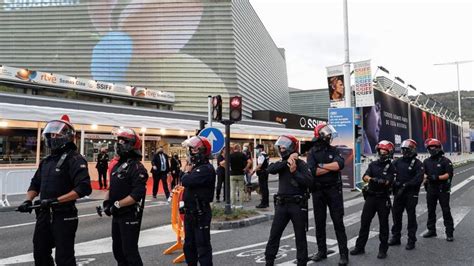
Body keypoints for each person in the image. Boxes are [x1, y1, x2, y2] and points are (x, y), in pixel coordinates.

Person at [17, 115, 92, 265]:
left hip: (64, 215)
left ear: (67, 136)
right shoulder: (47, 160)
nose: (53, 137)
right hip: (44, 214)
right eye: (51, 134)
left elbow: (84, 188)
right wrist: (28, 200)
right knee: (40, 253)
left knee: (64, 258)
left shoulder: (75, 159)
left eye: (57, 134)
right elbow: (35, 184)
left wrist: (56, 200)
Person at [264, 135, 313, 266]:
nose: (281, 148)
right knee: (274, 234)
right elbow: (270, 169)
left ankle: (302, 262)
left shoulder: (301, 164)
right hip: (282, 205)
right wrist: (287, 162)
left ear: (292, 147)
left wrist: (294, 171)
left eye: (284, 146)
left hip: (297, 205)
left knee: (300, 236)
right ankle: (269, 261)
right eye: (280, 146)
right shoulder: (282, 163)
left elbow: (309, 182)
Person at [102, 127, 148, 265]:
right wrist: (106, 203)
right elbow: (112, 188)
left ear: (131, 145)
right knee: (118, 251)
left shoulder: (137, 168)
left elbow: (136, 195)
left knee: (130, 252)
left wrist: (117, 205)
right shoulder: (118, 166)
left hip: (129, 215)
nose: (118, 143)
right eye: (118, 140)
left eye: (123, 141)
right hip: (117, 215)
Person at [307, 123, 348, 265]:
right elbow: (313, 171)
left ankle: (344, 254)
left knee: (338, 222)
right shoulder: (312, 152)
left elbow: (339, 165)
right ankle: (321, 251)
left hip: (333, 191)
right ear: (320, 135)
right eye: (327, 133)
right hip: (318, 191)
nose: (329, 136)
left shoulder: (334, 150)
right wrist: (331, 167)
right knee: (319, 223)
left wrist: (322, 166)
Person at [351, 140, 396, 259]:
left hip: (383, 198)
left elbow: (387, 182)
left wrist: (377, 180)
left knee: (383, 225)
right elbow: (365, 177)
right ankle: (360, 247)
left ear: (389, 153)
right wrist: (373, 180)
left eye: (385, 152)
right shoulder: (373, 164)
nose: (382, 154)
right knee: (364, 223)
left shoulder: (391, 167)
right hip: (371, 197)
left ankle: (383, 249)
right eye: (380, 151)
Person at [181, 136, 216, 265]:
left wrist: (186, 172)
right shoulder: (195, 169)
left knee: (203, 246)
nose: (190, 153)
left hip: (201, 213)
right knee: (189, 246)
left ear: (202, 151)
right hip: (191, 212)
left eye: (194, 150)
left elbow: (185, 180)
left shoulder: (205, 169)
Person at [389, 139, 424, 250]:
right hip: (398, 194)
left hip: (411, 194)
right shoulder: (397, 162)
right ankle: (396, 237)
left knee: (411, 217)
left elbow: (418, 179)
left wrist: (406, 185)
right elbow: (390, 174)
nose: (405, 152)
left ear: (413, 150)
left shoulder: (418, 163)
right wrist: (394, 183)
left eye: (407, 150)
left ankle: (411, 240)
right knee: (396, 216)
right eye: (403, 150)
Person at [422, 138, 454, 241]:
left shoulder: (446, 161)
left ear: (439, 148)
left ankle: (449, 233)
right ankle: (431, 230)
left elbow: (448, 175)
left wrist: (436, 177)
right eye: (430, 148)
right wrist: (426, 177)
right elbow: (423, 173)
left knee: (446, 210)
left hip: (443, 189)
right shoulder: (426, 161)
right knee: (431, 210)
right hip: (431, 189)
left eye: (434, 147)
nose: (432, 149)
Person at [255, 144, 269, 208]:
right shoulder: (266, 155)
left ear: (261, 149)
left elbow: (259, 165)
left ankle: (263, 203)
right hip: (266, 172)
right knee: (265, 188)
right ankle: (266, 202)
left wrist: (253, 171)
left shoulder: (261, 155)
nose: (256, 150)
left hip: (262, 173)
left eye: (257, 149)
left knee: (263, 188)